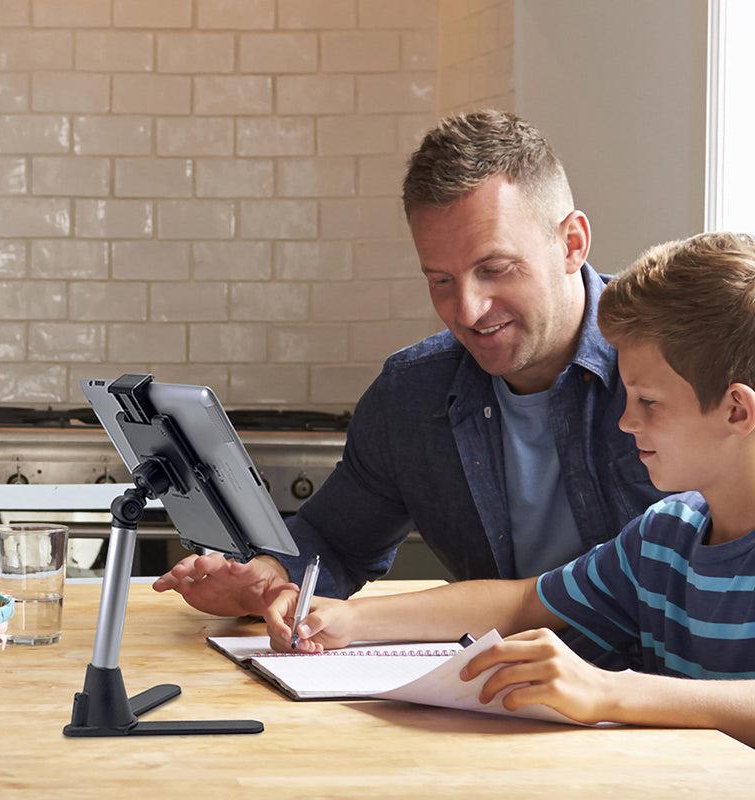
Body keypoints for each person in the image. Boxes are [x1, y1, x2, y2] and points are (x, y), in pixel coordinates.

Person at [153, 109, 665, 619]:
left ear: (572, 243)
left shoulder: (680, 362)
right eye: (441, 280)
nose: (467, 311)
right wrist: (270, 577)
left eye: (495, 269)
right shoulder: (410, 396)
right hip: (492, 690)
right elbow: (335, 542)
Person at [264, 232, 755, 747]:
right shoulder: (663, 538)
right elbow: (522, 603)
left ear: (737, 410)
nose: (627, 421)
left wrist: (611, 692)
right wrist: (350, 619)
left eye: (648, 402)